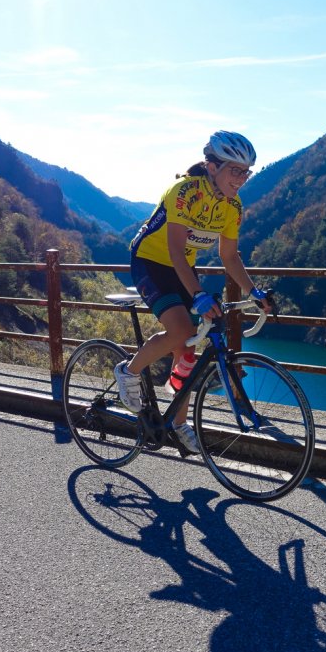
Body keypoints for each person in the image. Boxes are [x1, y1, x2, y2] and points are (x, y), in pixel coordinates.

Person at [114, 130, 272, 454]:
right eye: (235, 170)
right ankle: (128, 371)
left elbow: (229, 257)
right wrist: (199, 295)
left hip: (182, 267)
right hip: (150, 261)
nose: (241, 179)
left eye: (246, 172)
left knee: (189, 347)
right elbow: (173, 250)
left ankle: (177, 422)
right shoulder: (184, 191)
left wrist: (254, 292)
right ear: (212, 166)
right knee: (183, 330)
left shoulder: (233, 206)